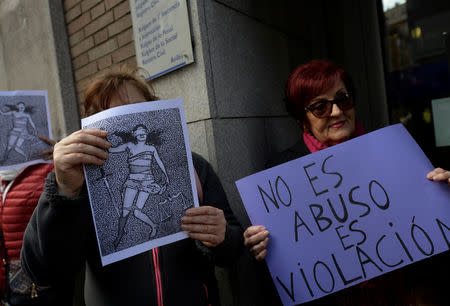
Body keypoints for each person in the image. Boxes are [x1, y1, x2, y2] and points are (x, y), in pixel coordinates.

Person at [20, 68, 243, 306]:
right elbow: (42, 271)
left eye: (136, 108)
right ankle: (134, 231)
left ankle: (147, 226)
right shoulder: (80, 181)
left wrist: (221, 237)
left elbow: (233, 250)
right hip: (128, 184)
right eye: (112, 115)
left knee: (135, 209)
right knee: (127, 212)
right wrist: (63, 189)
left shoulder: (194, 167)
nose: (129, 120)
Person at [243, 59, 450, 304]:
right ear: (302, 120)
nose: (337, 111)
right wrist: (260, 246)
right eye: (320, 107)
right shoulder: (279, 175)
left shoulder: (397, 153)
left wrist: (444, 199)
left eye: (343, 99)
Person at [0, 136, 55, 305]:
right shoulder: (2, 177)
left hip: (42, 287)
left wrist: (62, 161)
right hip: (8, 286)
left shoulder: (48, 169)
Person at [109, 124, 169, 248]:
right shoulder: (129, 146)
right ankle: (120, 234)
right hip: (132, 181)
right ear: (134, 134)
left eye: (144, 132)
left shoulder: (151, 148)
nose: (141, 134)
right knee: (125, 212)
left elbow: (159, 162)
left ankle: (153, 225)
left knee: (136, 212)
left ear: (147, 134)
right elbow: (111, 150)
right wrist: (104, 142)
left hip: (148, 182)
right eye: (138, 132)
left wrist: (166, 176)